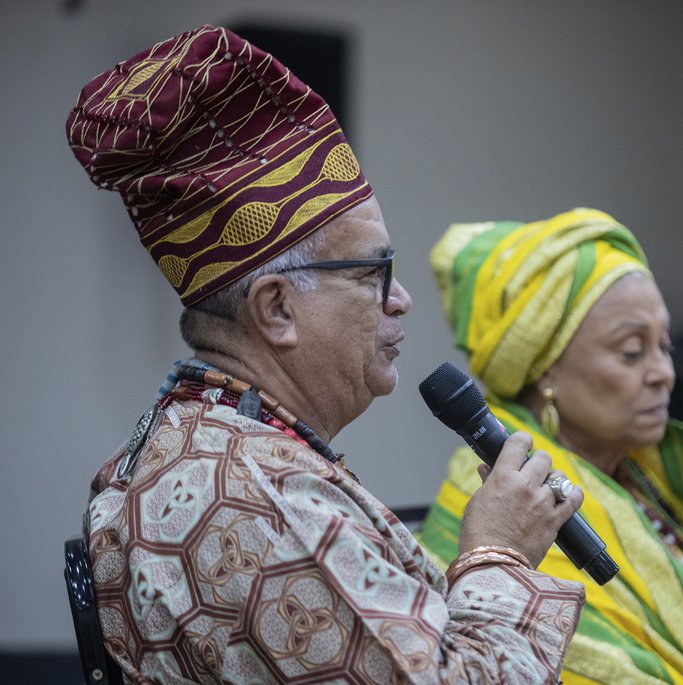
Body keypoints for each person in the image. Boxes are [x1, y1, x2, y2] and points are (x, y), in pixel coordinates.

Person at [66, 25, 586, 683]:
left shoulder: (203, 451)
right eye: (374, 272)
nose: (400, 300)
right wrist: (497, 553)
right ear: (277, 308)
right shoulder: (256, 497)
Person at [417, 209, 683, 684]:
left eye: (663, 346)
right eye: (631, 351)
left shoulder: (654, 484)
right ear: (546, 369)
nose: (663, 372)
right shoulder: (492, 512)